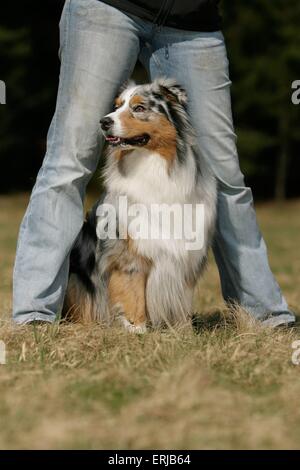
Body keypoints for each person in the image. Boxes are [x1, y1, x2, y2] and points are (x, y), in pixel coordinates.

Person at [13, 0, 295, 327]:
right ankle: (34, 315)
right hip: (108, 8)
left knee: (224, 175)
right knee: (69, 162)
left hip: (193, 24)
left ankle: (265, 314)